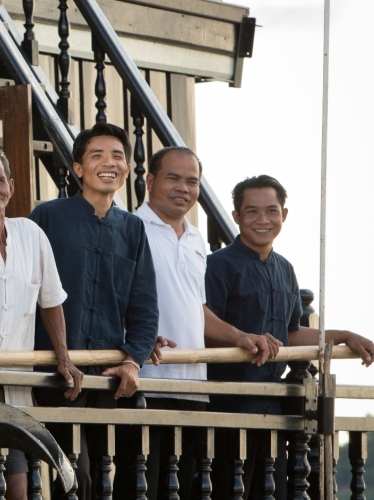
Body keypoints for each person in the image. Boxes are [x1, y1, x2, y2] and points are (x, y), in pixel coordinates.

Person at [205, 175, 374, 499]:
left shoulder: (286, 268)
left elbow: (291, 333)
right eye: (251, 211)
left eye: (271, 210)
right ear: (236, 217)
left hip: (273, 404)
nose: (263, 220)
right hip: (227, 403)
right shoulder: (217, 266)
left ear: (284, 214)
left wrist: (344, 336)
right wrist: (243, 339)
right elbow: (201, 330)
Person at [133, 148, 278, 500]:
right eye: (173, 178)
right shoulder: (130, 227)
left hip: (194, 389)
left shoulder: (197, 239)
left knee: (185, 490)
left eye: (192, 181)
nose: (183, 187)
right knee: (142, 489)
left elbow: (198, 310)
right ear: (150, 181)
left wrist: (240, 336)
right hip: (147, 383)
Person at [0, 142, 84, 500]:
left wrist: (63, 356)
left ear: (11, 185)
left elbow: (50, 301)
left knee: (19, 489)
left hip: (17, 391)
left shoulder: (31, 234)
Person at [27, 123, 158, 500]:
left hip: (111, 376)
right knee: (68, 477)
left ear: (128, 169)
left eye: (118, 156)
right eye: (97, 155)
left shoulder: (133, 228)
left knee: (114, 479)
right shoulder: (48, 216)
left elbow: (145, 305)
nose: (109, 163)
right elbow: (25, 289)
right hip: (54, 371)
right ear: (78, 168)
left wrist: (134, 360)